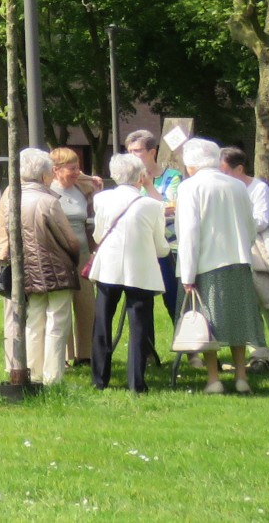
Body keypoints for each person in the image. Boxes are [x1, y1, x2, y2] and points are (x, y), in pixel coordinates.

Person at [0, 148, 80, 386]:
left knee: (34, 322)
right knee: (57, 322)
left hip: (27, 272)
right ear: (45, 174)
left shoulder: (10, 197)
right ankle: (53, 377)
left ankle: (32, 373)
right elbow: (70, 240)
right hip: (55, 271)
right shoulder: (48, 201)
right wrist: (74, 259)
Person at [176, 138, 259, 395]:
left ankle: (214, 379)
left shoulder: (190, 187)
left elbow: (189, 232)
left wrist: (187, 273)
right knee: (237, 319)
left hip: (206, 264)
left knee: (207, 323)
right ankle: (241, 375)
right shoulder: (237, 185)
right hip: (239, 260)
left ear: (191, 163)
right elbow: (250, 225)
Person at [88, 153, 169, 392]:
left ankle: (99, 379)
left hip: (108, 269)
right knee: (139, 326)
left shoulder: (102, 199)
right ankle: (137, 382)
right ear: (141, 176)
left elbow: (98, 234)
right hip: (140, 270)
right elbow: (161, 246)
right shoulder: (153, 205)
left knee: (102, 322)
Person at [221, 145, 269, 371]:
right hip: (240, 257)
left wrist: (233, 221)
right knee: (248, 310)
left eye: (224, 171)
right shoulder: (226, 190)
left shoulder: (258, 188)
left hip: (264, 257)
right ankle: (260, 358)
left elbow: (260, 221)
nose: (220, 177)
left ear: (239, 168)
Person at [48, 147, 101, 366]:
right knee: (61, 304)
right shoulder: (47, 190)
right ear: (56, 170)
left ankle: (86, 355)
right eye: (72, 168)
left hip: (82, 254)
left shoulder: (83, 188)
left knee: (86, 303)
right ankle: (66, 355)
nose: (77, 172)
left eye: (78, 166)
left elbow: (93, 220)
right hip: (57, 254)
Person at [125, 129, 183, 321]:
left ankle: (188, 346)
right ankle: (145, 349)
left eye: (138, 151)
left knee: (173, 299)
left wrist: (149, 187)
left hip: (168, 247)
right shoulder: (128, 180)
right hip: (140, 247)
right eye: (130, 151)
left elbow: (170, 207)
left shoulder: (172, 176)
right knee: (141, 302)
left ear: (152, 152)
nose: (133, 155)